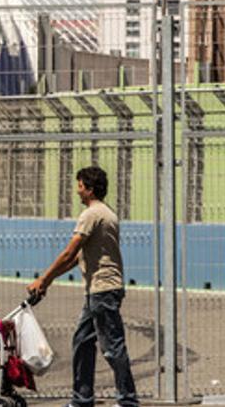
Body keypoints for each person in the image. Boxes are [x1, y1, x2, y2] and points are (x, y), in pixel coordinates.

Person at [28, 166, 139, 407]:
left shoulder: (91, 214)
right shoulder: (106, 213)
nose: (77, 191)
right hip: (98, 290)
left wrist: (44, 279)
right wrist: (51, 279)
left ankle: (128, 400)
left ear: (89, 189)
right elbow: (80, 258)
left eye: (79, 186)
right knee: (82, 341)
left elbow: (70, 252)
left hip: (102, 290)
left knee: (112, 347)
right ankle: (82, 400)